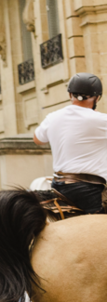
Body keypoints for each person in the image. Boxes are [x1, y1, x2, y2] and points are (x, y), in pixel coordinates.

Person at [34, 72, 107, 214]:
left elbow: (37, 139)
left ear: (70, 95)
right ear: (97, 97)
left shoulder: (52, 117)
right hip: (88, 190)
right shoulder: (102, 120)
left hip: (58, 186)